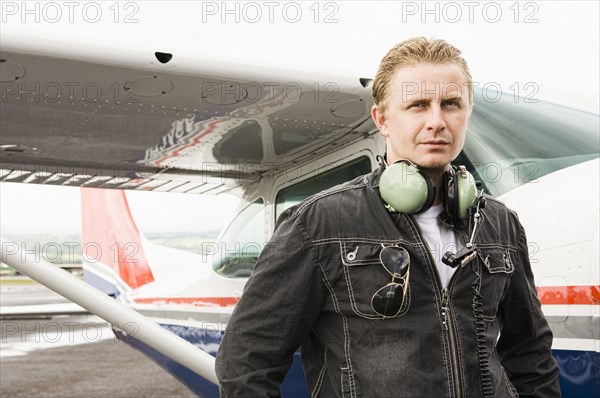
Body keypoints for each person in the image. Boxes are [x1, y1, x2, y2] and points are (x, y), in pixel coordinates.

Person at [215, 37, 561, 397]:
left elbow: (529, 353)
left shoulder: (500, 223)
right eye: (418, 105)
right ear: (382, 119)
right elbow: (245, 362)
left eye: (451, 104)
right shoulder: (317, 224)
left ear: (468, 112)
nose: (437, 121)